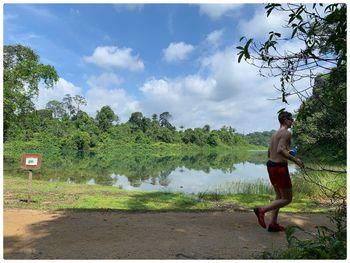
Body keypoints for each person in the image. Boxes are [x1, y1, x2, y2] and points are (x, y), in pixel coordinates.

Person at [254, 111, 304, 232]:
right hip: (279, 168)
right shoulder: (286, 133)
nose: (292, 121)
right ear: (285, 120)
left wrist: (287, 151)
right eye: (291, 119)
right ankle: (262, 210)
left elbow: (269, 152)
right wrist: (295, 160)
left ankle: (273, 224)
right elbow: (280, 149)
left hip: (271, 165)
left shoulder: (275, 134)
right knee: (287, 199)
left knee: (279, 196)